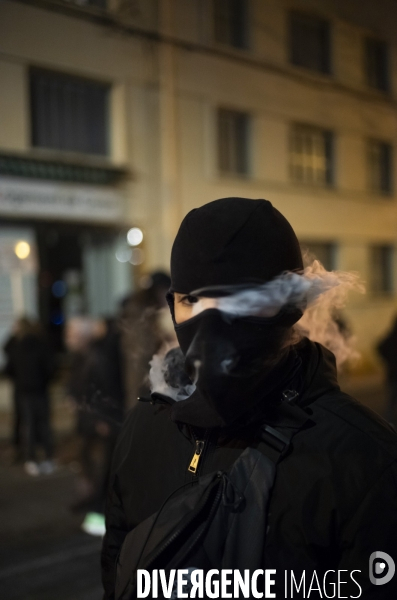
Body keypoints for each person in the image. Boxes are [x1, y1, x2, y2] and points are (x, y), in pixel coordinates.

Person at [102, 198, 397, 599]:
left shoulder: (364, 460)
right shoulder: (145, 426)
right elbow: (120, 570)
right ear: (172, 304)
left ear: (292, 307)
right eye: (193, 300)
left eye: (242, 300)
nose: (213, 320)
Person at [5, 317, 55, 476]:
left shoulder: (17, 346)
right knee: (43, 424)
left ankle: (31, 458)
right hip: (39, 390)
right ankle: (47, 457)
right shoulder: (41, 345)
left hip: (24, 392)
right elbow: (50, 368)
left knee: (30, 425)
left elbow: (9, 368)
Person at [377, 315, 397, 429]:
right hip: (394, 376)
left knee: (391, 402)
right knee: (391, 402)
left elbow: (380, 348)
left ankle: (388, 425)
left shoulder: (391, 337)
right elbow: (380, 348)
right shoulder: (392, 338)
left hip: (393, 376)